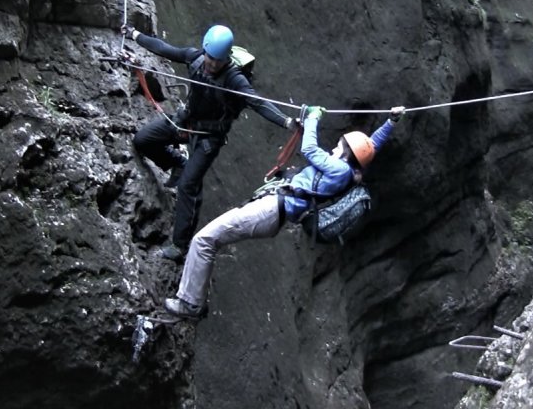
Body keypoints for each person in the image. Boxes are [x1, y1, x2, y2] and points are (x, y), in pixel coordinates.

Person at [163, 105, 406, 318]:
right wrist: (391, 121)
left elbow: (309, 149)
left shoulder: (339, 169)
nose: (334, 147)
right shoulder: (348, 170)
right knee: (209, 239)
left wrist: (312, 117)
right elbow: (370, 146)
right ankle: (193, 299)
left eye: (339, 145)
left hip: (271, 209)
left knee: (204, 240)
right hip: (272, 208)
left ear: (347, 153)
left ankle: (190, 303)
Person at [121, 23, 297, 262]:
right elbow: (164, 49)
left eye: (217, 60)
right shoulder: (196, 58)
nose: (211, 63)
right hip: (185, 123)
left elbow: (258, 103)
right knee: (143, 140)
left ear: (226, 59)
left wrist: (287, 122)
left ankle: (180, 246)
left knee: (188, 186)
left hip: (208, 138)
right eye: (210, 57)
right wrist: (135, 35)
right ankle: (177, 162)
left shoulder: (235, 80)